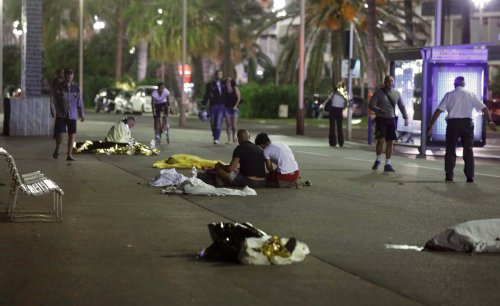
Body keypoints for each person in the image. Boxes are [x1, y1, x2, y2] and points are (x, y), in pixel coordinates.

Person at [427, 76, 497, 182]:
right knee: (468, 150)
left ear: (454, 84)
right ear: (464, 84)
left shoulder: (449, 95)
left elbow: (438, 111)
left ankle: (449, 175)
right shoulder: (470, 94)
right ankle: (470, 176)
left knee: (450, 149)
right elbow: (484, 108)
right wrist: (490, 121)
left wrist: (430, 125)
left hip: (452, 124)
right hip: (467, 124)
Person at [369, 75, 409, 172]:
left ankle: (388, 164)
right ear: (384, 82)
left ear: (393, 83)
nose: (390, 83)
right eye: (388, 81)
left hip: (391, 120)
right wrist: (378, 109)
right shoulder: (378, 92)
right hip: (381, 119)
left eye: (391, 81)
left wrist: (405, 117)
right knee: (381, 140)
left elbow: (401, 106)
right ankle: (378, 160)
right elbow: (371, 105)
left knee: (390, 142)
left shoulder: (397, 94)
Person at [51, 69, 85, 161]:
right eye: (68, 75)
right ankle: (57, 148)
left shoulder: (76, 87)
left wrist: (81, 114)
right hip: (61, 114)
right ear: (64, 75)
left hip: (72, 115)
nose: (69, 76)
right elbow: (53, 99)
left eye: (71, 75)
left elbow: (79, 102)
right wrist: (53, 110)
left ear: (73, 76)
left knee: (72, 135)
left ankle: (69, 154)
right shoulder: (59, 87)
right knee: (60, 134)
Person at [202, 70, 226, 144]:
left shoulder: (224, 84)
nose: (219, 76)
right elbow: (206, 95)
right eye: (217, 74)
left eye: (220, 74)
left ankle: (216, 138)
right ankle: (214, 133)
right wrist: (203, 105)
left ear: (222, 75)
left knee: (218, 123)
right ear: (215, 75)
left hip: (221, 106)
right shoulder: (210, 84)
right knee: (212, 123)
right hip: (213, 106)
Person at [327, 83, 347, 147]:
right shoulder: (344, 94)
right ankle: (341, 142)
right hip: (339, 110)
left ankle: (332, 142)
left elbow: (329, 98)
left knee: (332, 127)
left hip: (333, 109)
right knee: (339, 127)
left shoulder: (333, 93)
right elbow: (345, 103)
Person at [224, 77, 241, 144]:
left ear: (231, 82)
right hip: (227, 109)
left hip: (234, 109)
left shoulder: (235, 88)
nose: (227, 83)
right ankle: (229, 139)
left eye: (229, 82)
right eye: (226, 82)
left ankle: (234, 137)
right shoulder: (224, 89)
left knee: (234, 125)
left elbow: (239, 98)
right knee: (228, 124)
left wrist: (235, 106)